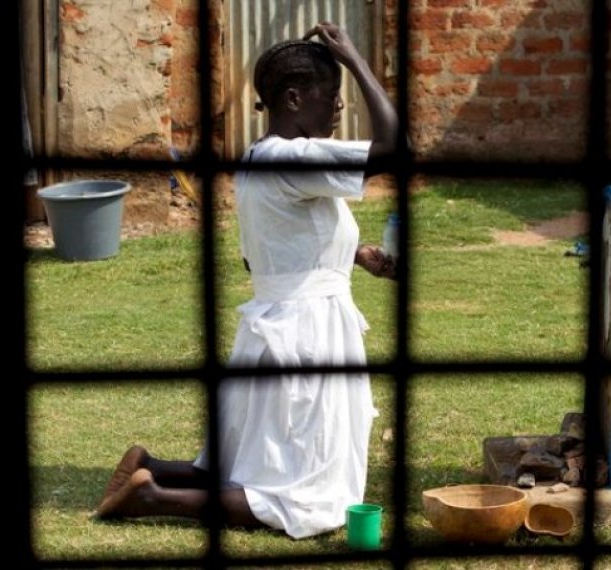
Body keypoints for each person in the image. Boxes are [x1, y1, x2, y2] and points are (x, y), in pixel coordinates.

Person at [95, 22, 399, 539]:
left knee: (260, 463)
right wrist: (358, 62)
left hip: (275, 330)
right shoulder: (293, 155)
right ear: (294, 96)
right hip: (308, 340)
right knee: (310, 498)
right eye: (331, 97)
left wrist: (354, 257)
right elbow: (394, 147)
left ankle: (154, 465)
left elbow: (264, 259)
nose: (339, 109)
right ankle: (152, 495)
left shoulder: (258, 158)